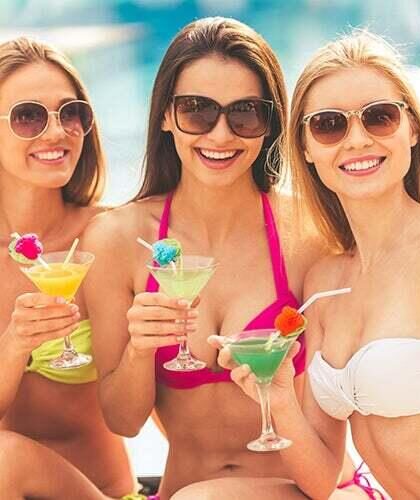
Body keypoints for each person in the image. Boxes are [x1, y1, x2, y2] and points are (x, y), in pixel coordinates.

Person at [82, 17, 369, 500]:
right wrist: (139, 349)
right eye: (197, 110)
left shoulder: (309, 235)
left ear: (271, 124)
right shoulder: (118, 240)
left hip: (311, 491)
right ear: (165, 116)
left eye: (245, 114)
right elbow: (124, 422)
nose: (220, 135)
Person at [214, 30, 420, 499]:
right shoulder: (325, 281)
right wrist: (281, 397)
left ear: (410, 128)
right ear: (305, 147)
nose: (358, 140)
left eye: (379, 117)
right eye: (329, 125)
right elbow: (322, 479)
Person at [0, 37, 138, 499]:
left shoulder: (110, 235)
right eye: (28, 116)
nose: (57, 132)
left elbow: (145, 412)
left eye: (70, 112)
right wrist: (16, 344)